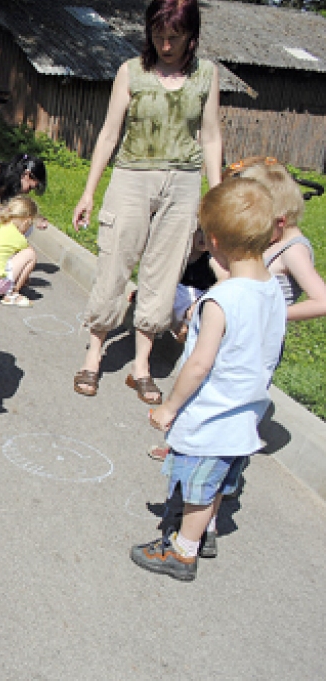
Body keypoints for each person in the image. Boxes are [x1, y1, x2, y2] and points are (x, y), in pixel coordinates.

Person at [71, 0, 222, 405]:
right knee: (114, 263)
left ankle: (141, 366)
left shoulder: (206, 75)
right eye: (158, 35)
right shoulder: (131, 72)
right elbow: (109, 134)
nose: (166, 45)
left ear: (191, 35)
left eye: (175, 36)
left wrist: (215, 197)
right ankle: (93, 354)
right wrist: (88, 192)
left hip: (184, 182)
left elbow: (210, 137)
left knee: (164, 271)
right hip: (132, 177)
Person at [132, 178, 285, 581]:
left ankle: (183, 552)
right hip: (245, 414)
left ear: (213, 241)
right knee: (215, 482)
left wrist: (169, 407)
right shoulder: (271, 290)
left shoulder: (220, 301)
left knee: (198, 486)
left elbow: (199, 365)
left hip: (211, 416)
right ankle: (205, 532)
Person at [238, 161, 326, 323]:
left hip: (262, 333)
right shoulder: (271, 239)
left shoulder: (294, 251)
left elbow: (322, 302)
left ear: (280, 221)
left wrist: (272, 314)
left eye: (256, 223)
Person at [0, 194, 43, 307]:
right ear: (26, 222)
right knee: (30, 254)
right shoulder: (19, 238)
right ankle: (12, 293)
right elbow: (22, 258)